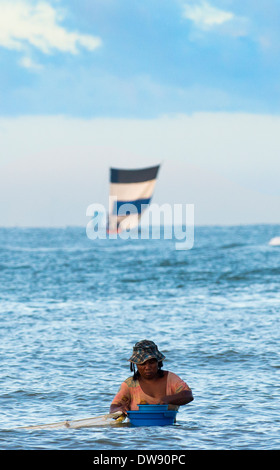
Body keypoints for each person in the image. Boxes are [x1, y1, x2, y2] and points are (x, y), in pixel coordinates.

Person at [110, 340, 193, 414]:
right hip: (137, 430)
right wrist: (120, 409)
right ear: (136, 365)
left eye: (152, 362)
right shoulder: (129, 385)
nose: (147, 367)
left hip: (168, 429)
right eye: (142, 364)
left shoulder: (171, 379)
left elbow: (188, 395)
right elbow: (113, 408)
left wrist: (167, 399)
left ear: (158, 362)